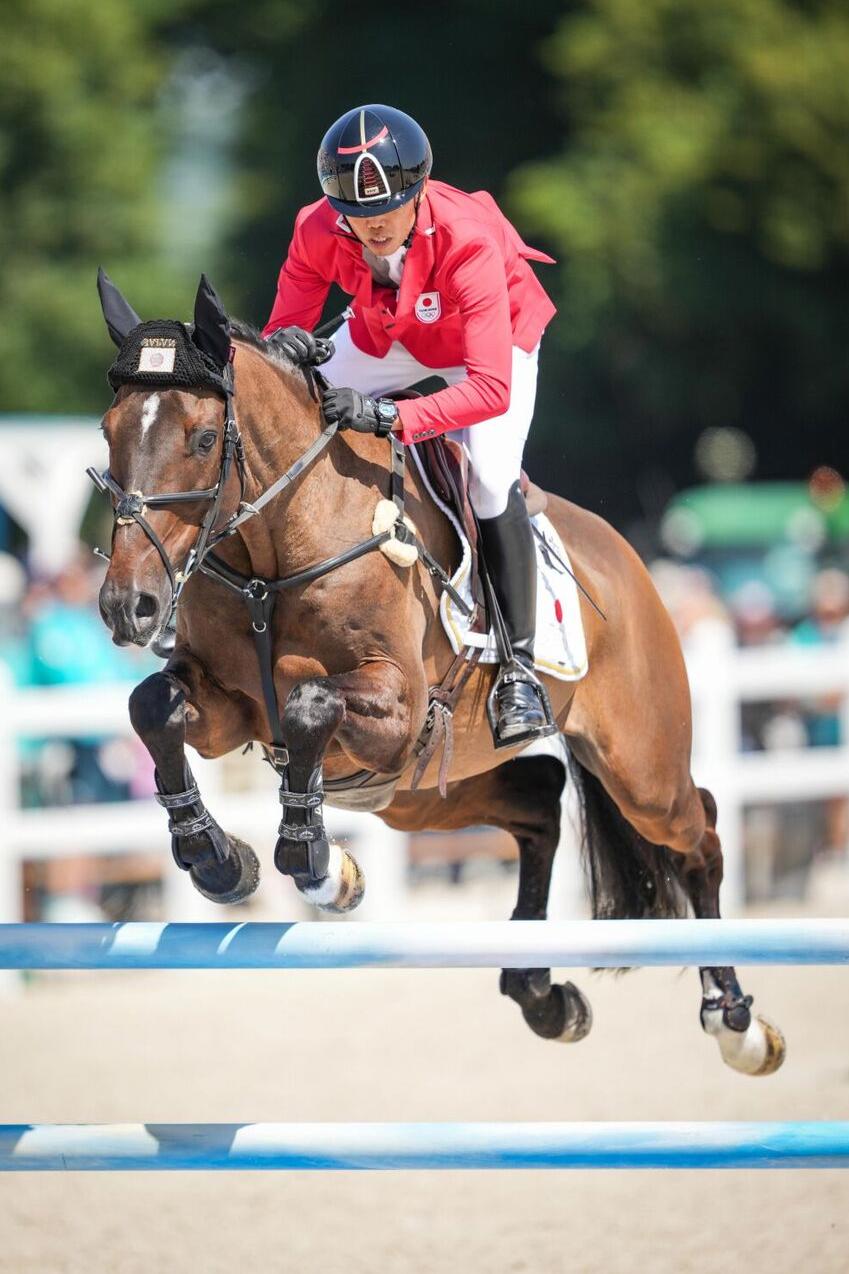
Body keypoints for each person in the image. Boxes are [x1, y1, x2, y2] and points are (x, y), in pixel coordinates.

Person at [263, 103, 558, 744]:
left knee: (489, 477)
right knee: (286, 409)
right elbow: (280, 335)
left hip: (492, 344)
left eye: (386, 210)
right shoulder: (316, 227)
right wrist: (288, 354)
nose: (371, 226)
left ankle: (519, 671)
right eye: (357, 213)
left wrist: (391, 416)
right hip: (389, 331)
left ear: (418, 191)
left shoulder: (468, 238)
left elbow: (487, 387)